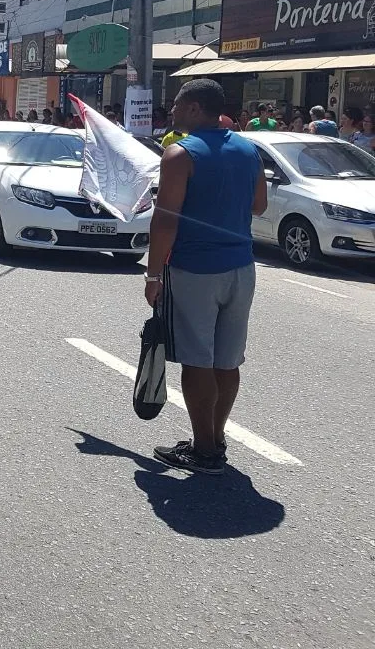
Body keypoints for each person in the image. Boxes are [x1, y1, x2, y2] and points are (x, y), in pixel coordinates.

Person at [147, 79, 267, 476]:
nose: (173, 111)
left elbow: (165, 219)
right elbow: (259, 204)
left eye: (178, 105)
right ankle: (214, 440)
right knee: (227, 360)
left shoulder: (179, 154)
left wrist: (152, 273)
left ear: (195, 108)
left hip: (195, 268)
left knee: (197, 360)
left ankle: (203, 451)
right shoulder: (249, 149)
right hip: (241, 268)